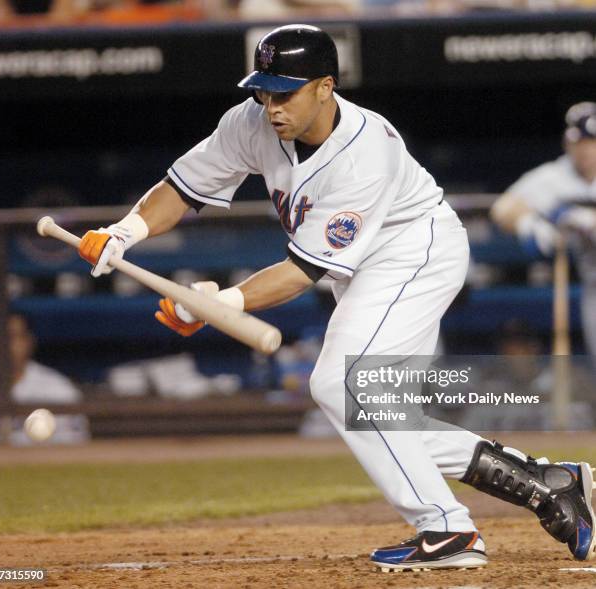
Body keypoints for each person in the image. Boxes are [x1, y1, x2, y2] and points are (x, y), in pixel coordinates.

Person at [78, 25, 595, 571]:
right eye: (264, 90)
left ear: (325, 86)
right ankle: (546, 483)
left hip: (415, 250)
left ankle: (448, 530)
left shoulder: (365, 150)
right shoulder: (249, 121)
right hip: (366, 266)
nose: (270, 105)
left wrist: (219, 303)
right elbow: (182, 189)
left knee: (347, 384)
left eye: (286, 92)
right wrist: (124, 232)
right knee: (378, 409)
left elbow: (300, 274)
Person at [491, 102, 596, 360]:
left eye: (590, 142)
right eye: (577, 142)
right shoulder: (557, 176)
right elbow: (502, 208)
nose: (583, 150)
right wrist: (531, 224)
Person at [0, 313, 90, 445]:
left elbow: (78, 443)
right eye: (2, 338)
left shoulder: (58, 389)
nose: (8, 345)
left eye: (14, 337)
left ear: (29, 341)